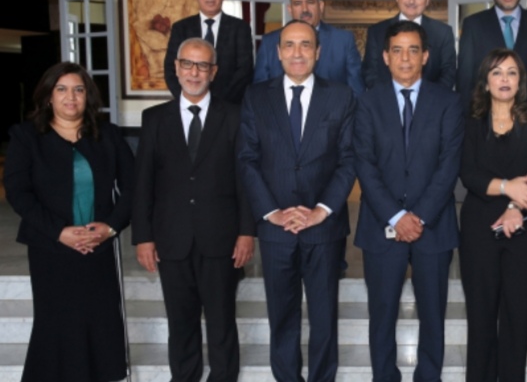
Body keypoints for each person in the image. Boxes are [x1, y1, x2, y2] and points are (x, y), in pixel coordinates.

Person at [238, 20, 356, 382]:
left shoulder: (341, 96)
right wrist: (272, 212)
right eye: (289, 45)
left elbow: (349, 159)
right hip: (276, 230)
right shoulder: (256, 97)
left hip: (324, 229)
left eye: (306, 45)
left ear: (318, 52)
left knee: (324, 318)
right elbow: (247, 159)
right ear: (278, 52)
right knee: (282, 316)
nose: (297, 52)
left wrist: (321, 211)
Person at [132, 37, 255, 382]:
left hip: (221, 238)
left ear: (213, 72)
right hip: (171, 238)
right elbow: (143, 183)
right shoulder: (154, 119)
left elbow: (245, 180)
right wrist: (143, 237)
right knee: (180, 322)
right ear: (176, 67)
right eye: (187, 63)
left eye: (202, 65)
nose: (194, 72)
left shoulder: (235, 116)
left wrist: (247, 232)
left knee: (221, 321)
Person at [4, 62, 134, 382]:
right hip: (51, 249)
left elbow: (134, 188)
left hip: (98, 248)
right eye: (61, 89)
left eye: (78, 90)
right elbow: (19, 193)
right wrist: (58, 232)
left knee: (99, 324)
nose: (70, 97)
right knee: (57, 325)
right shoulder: (26, 137)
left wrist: (110, 228)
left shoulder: (108, 135)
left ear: (88, 96)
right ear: (48, 96)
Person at [354, 20, 463, 381]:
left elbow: (449, 164)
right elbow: (365, 164)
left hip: (433, 227)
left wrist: (419, 216)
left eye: (413, 50)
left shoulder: (448, 102)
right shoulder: (367, 103)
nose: (405, 58)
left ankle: (429, 376)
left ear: (425, 56)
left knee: (433, 314)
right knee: (382, 314)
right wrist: (396, 216)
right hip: (381, 225)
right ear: (385, 57)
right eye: (397, 50)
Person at [459, 48, 527, 382]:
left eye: (512, 73)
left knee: (517, 318)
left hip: (524, 230)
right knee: (481, 318)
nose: (504, 79)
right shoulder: (471, 121)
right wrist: (506, 187)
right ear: (485, 81)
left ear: (520, 81)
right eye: (497, 72)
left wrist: (514, 208)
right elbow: (468, 174)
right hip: (478, 230)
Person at [253, 0, 364, 95]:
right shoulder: (269, 42)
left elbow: (356, 92)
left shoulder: (343, 40)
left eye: (310, 2)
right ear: (290, 9)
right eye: (298, 4)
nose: (305, 9)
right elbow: (259, 92)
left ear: (321, 6)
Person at [163, 0, 253, 104]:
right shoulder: (181, 28)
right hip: (190, 107)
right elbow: (170, 69)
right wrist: (189, 100)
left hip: (228, 107)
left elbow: (244, 71)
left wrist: (216, 104)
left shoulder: (240, 28)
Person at [362, 0, 456, 89]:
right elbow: (370, 74)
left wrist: (425, 97)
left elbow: (448, 74)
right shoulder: (377, 32)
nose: (411, 1)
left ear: (427, 0)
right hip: (385, 99)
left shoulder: (443, 33)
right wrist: (393, 97)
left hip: (432, 99)